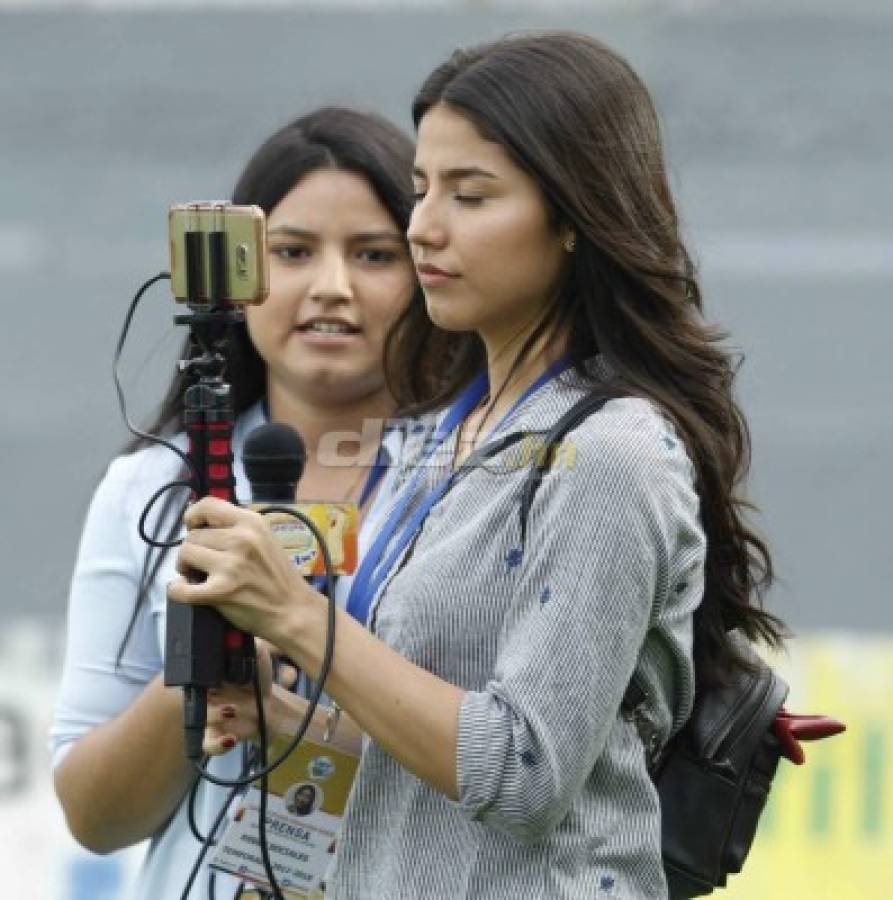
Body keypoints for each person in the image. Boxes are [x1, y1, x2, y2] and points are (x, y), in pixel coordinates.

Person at [170, 33, 786, 900]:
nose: (423, 225)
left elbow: (525, 774)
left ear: (572, 217)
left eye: (470, 194)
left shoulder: (609, 451)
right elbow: (441, 769)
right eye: (422, 190)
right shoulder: (445, 437)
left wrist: (299, 619)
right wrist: (296, 719)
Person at [50, 106, 421, 900]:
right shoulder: (154, 486)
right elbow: (94, 814)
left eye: (374, 253)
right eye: (291, 253)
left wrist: (310, 705)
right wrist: (210, 664)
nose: (332, 286)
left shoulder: (477, 480)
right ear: (239, 278)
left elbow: (512, 772)